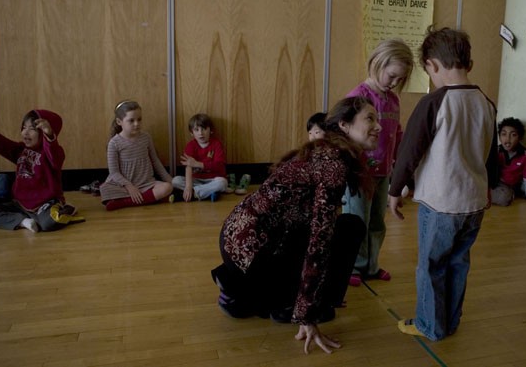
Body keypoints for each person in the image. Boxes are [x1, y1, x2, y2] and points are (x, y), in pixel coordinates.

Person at [212, 96, 381, 355]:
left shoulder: (325, 151)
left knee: (339, 225)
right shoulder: (334, 164)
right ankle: (286, 303)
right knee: (350, 227)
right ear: (345, 125)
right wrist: (308, 315)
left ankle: (240, 287)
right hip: (255, 251)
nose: (379, 126)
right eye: (370, 118)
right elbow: (318, 242)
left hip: (237, 242)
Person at [387, 27, 498, 341]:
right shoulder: (486, 102)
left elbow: (410, 151)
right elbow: (491, 152)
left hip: (441, 203)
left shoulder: (434, 102)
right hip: (474, 203)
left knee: (431, 266)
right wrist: (489, 187)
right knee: (458, 263)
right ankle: (450, 320)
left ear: (432, 66)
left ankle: (429, 326)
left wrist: (395, 190)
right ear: (469, 64)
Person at [344, 38, 414, 286]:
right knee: (356, 221)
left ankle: (371, 266)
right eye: (392, 76)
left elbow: (397, 132)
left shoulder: (393, 100)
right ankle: (352, 266)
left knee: (376, 222)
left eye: (400, 79)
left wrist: (402, 160)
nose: (395, 83)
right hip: (360, 172)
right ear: (376, 63)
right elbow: (343, 133)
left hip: (384, 171)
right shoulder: (358, 96)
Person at [0, 110, 80, 232]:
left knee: (49, 223)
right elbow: (4, 145)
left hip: (44, 205)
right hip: (20, 204)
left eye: (32, 129)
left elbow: (53, 153)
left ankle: (68, 209)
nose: (25, 132)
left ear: (43, 132)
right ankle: (23, 221)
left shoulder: (54, 153)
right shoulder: (21, 150)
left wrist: (49, 135)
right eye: (24, 128)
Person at [100, 100, 174, 211]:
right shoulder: (114, 143)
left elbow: (155, 161)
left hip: (146, 183)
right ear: (119, 122)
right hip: (124, 185)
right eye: (131, 120)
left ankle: (124, 203)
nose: (136, 124)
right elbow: (114, 172)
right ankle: (148, 198)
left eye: (139, 119)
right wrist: (129, 187)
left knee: (167, 187)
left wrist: (169, 179)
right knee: (105, 190)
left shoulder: (146, 137)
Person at [172, 113, 227, 202]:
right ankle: (206, 193)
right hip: (196, 180)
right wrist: (188, 186)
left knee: (222, 183)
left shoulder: (216, 144)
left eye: (204, 129)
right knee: (175, 181)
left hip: (213, 179)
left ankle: (194, 194)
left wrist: (197, 164)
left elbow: (219, 165)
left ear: (211, 130)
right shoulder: (190, 146)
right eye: (196, 130)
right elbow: (188, 167)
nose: (200, 133)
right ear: (192, 133)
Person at [491, 117, 526, 206]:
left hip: (512, 186)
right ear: (499, 136)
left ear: (520, 137)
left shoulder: (525, 155)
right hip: (497, 183)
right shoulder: (496, 152)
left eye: (513, 135)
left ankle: (504, 195)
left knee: (504, 199)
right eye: (504, 134)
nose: (507, 139)